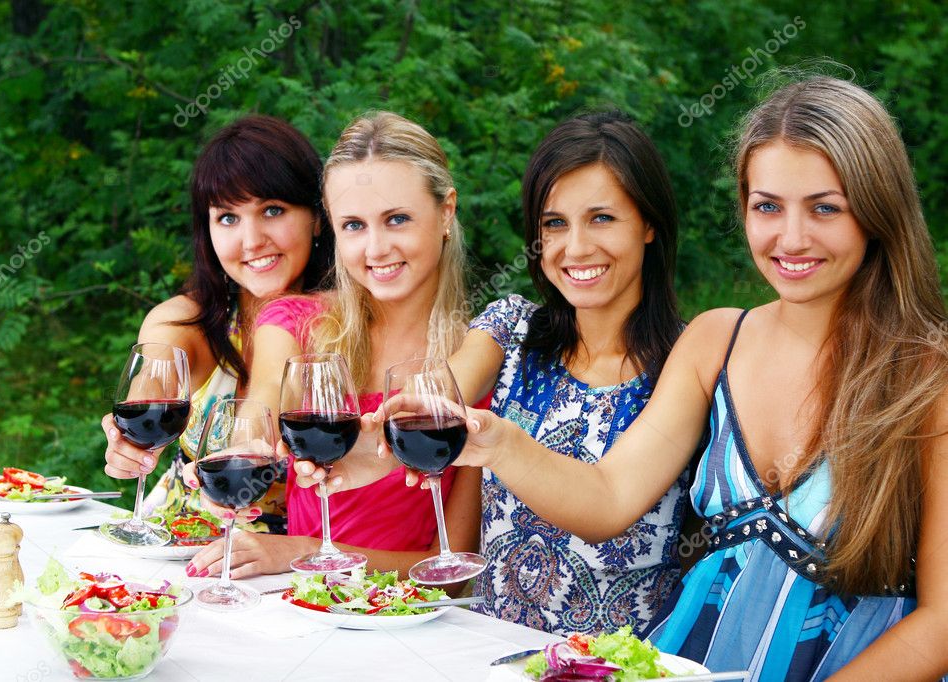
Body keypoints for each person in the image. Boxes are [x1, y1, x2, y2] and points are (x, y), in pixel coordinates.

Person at [441, 77, 948, 680]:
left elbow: (943, 620)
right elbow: (608, 498)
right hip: (699, 662)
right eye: (767, 206)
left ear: (877, 208)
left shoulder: (926, 378)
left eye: (825, 207)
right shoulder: (716, 341)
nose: (790, 238)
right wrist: (495, 441)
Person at [295, 111, 690, 635]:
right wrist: (374, 449)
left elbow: (608, 503)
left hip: (619, 661)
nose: (575, 247)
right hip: (493, 655)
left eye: (602, 218)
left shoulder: (688, 360)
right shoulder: (511, 327)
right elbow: (437, 395)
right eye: (554, 223)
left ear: (649, 224)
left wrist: (499, 443)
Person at [183, 111, 485, 581]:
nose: (376, 248)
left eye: (397, 219)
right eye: (354, 226)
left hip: (416, 625)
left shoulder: (477, 360)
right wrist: (237, 456)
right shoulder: (297, 323)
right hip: (304, 610)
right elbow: (261, 408)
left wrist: (298, 551)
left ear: (446, 212)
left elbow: (454, 570)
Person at [101, 115, 334, 534]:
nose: (251, 240)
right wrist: (128, 439)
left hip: (294, 566)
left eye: (273, 210)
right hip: (177, 544)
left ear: (318, 217)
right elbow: (154, 376)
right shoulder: (189, 321)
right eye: (228, 217)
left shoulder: (346, 329)